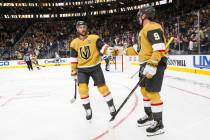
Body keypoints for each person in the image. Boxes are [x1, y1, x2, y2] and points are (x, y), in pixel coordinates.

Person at [69, 21, 117, 120]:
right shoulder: (74, 43)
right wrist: (73, 71)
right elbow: (73, 59)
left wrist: (109, 50)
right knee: (82, 90)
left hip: (95, 67)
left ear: (86, 28)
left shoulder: (94, 38)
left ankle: (111, 106)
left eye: (84, 27)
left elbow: (103, 47)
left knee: (103, 89)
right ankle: (87, 109)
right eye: (80, 27)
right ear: (77, 29)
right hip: (82, 70)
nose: (82, 29)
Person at [136, 6, 167, 136]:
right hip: (145, 63)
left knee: (153, 93)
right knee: (144, 90)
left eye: (139, 15)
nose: (138, 18)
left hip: (154, 63)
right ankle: (149, 116)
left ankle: (159, 124)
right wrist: (122, 51)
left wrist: (153, 64)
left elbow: (159, 47)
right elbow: (140, 49)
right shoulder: (143, 30)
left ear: (143, 16)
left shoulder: (152, 27)